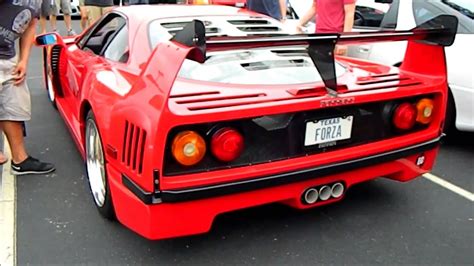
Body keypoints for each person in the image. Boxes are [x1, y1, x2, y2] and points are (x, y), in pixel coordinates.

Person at [0, 0, 56, 175]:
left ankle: (20, 160)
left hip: (8, 57)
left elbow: (31, 24)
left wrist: (23, 60)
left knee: (13, 107)